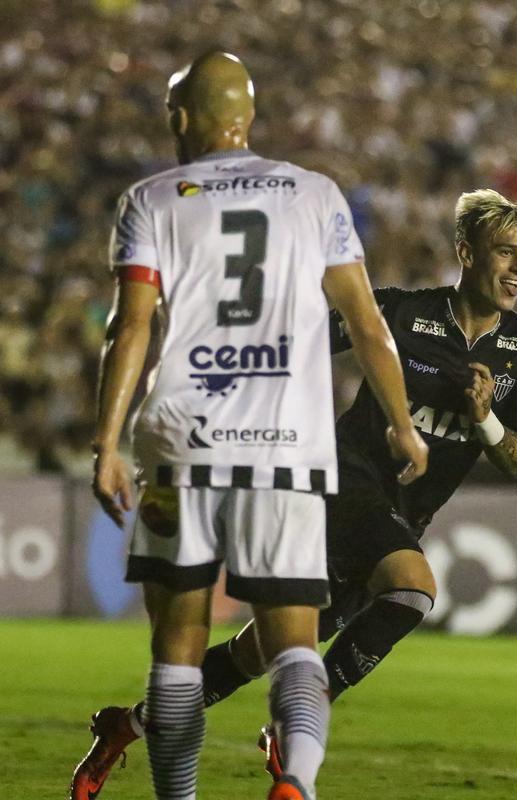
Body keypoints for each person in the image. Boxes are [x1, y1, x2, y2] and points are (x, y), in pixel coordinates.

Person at [70, 188, 517, 795]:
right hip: (343, 480)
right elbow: (294, 344)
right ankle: (297, 723)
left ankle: (127, 725)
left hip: (403, 515)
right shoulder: (402, 313)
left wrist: (485, 419)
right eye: (505, 252)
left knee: (257, 653)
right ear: (467, 253)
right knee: (414, 588)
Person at [78, 50, 427, 800]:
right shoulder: (316, 194)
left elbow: (129, 326)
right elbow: (368, 323)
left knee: (178, 647)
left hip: (182, 448)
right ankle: (297, 780)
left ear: (181, 117)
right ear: (249, 116)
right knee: (294, 642)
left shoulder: (152, 199)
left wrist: (106, 443)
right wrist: (403, 423)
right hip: (286, 451)